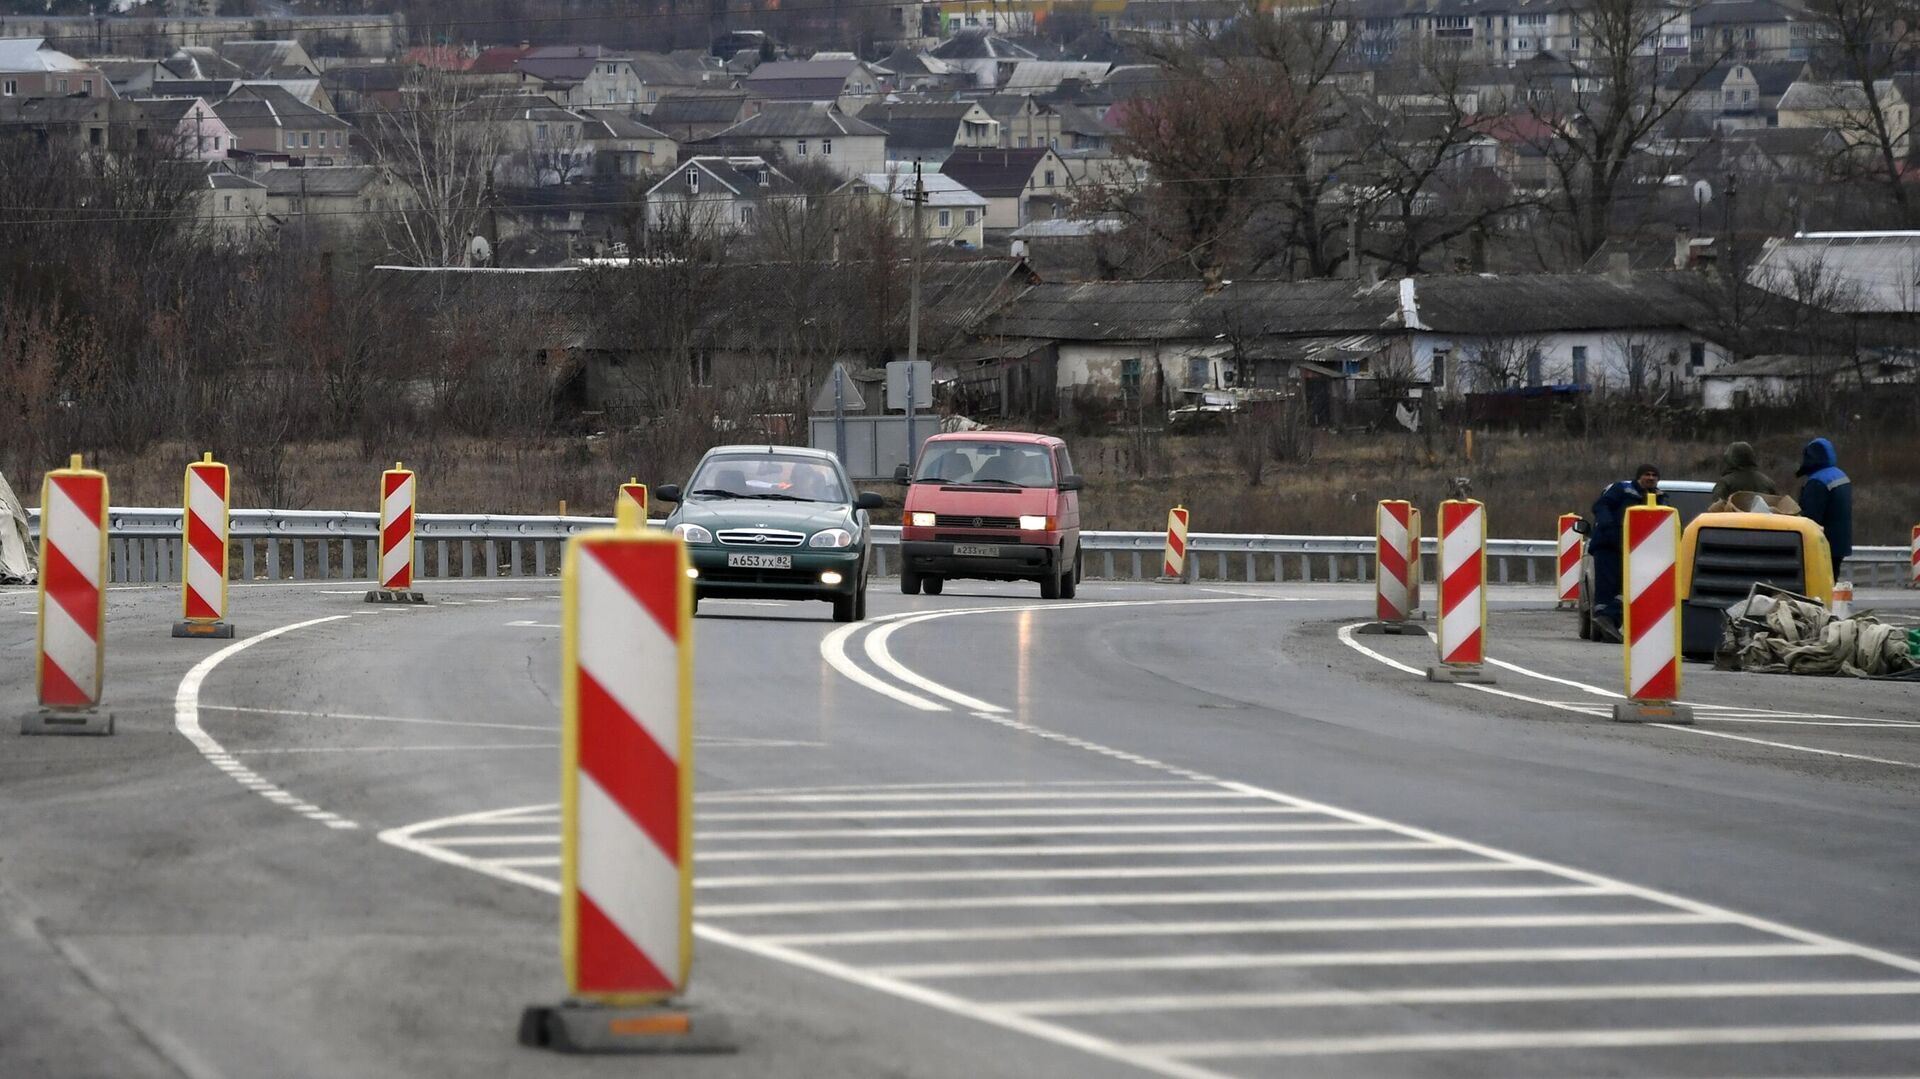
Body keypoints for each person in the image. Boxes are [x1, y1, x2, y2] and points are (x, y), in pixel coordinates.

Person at [1589, 463, 1665, 640]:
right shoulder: (1622, 489)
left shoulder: (1661, 498)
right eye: (1647, 474)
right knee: (1607, 588)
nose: (1651, 478)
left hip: (1639, 551)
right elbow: (1600, 506)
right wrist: (1610, 527)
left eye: (1654, 475)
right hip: (1609, 545)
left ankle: (1607, 622)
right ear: (1639, 477)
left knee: (1629, 587)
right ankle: (1606, 622)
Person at [1796, 437, 1853, 576]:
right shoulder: (1840, 475)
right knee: (1832, 581)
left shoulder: (1817, 481)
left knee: (1820, 586)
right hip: (1841, 542)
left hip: (1823, 544)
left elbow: (1810, 518)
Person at [1711, 441, 1777, 502]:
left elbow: (1717, 508)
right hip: (1763, 515)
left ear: (1729, 459)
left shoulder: (1725, 483)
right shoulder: (1768, 482)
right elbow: (1779, 507)